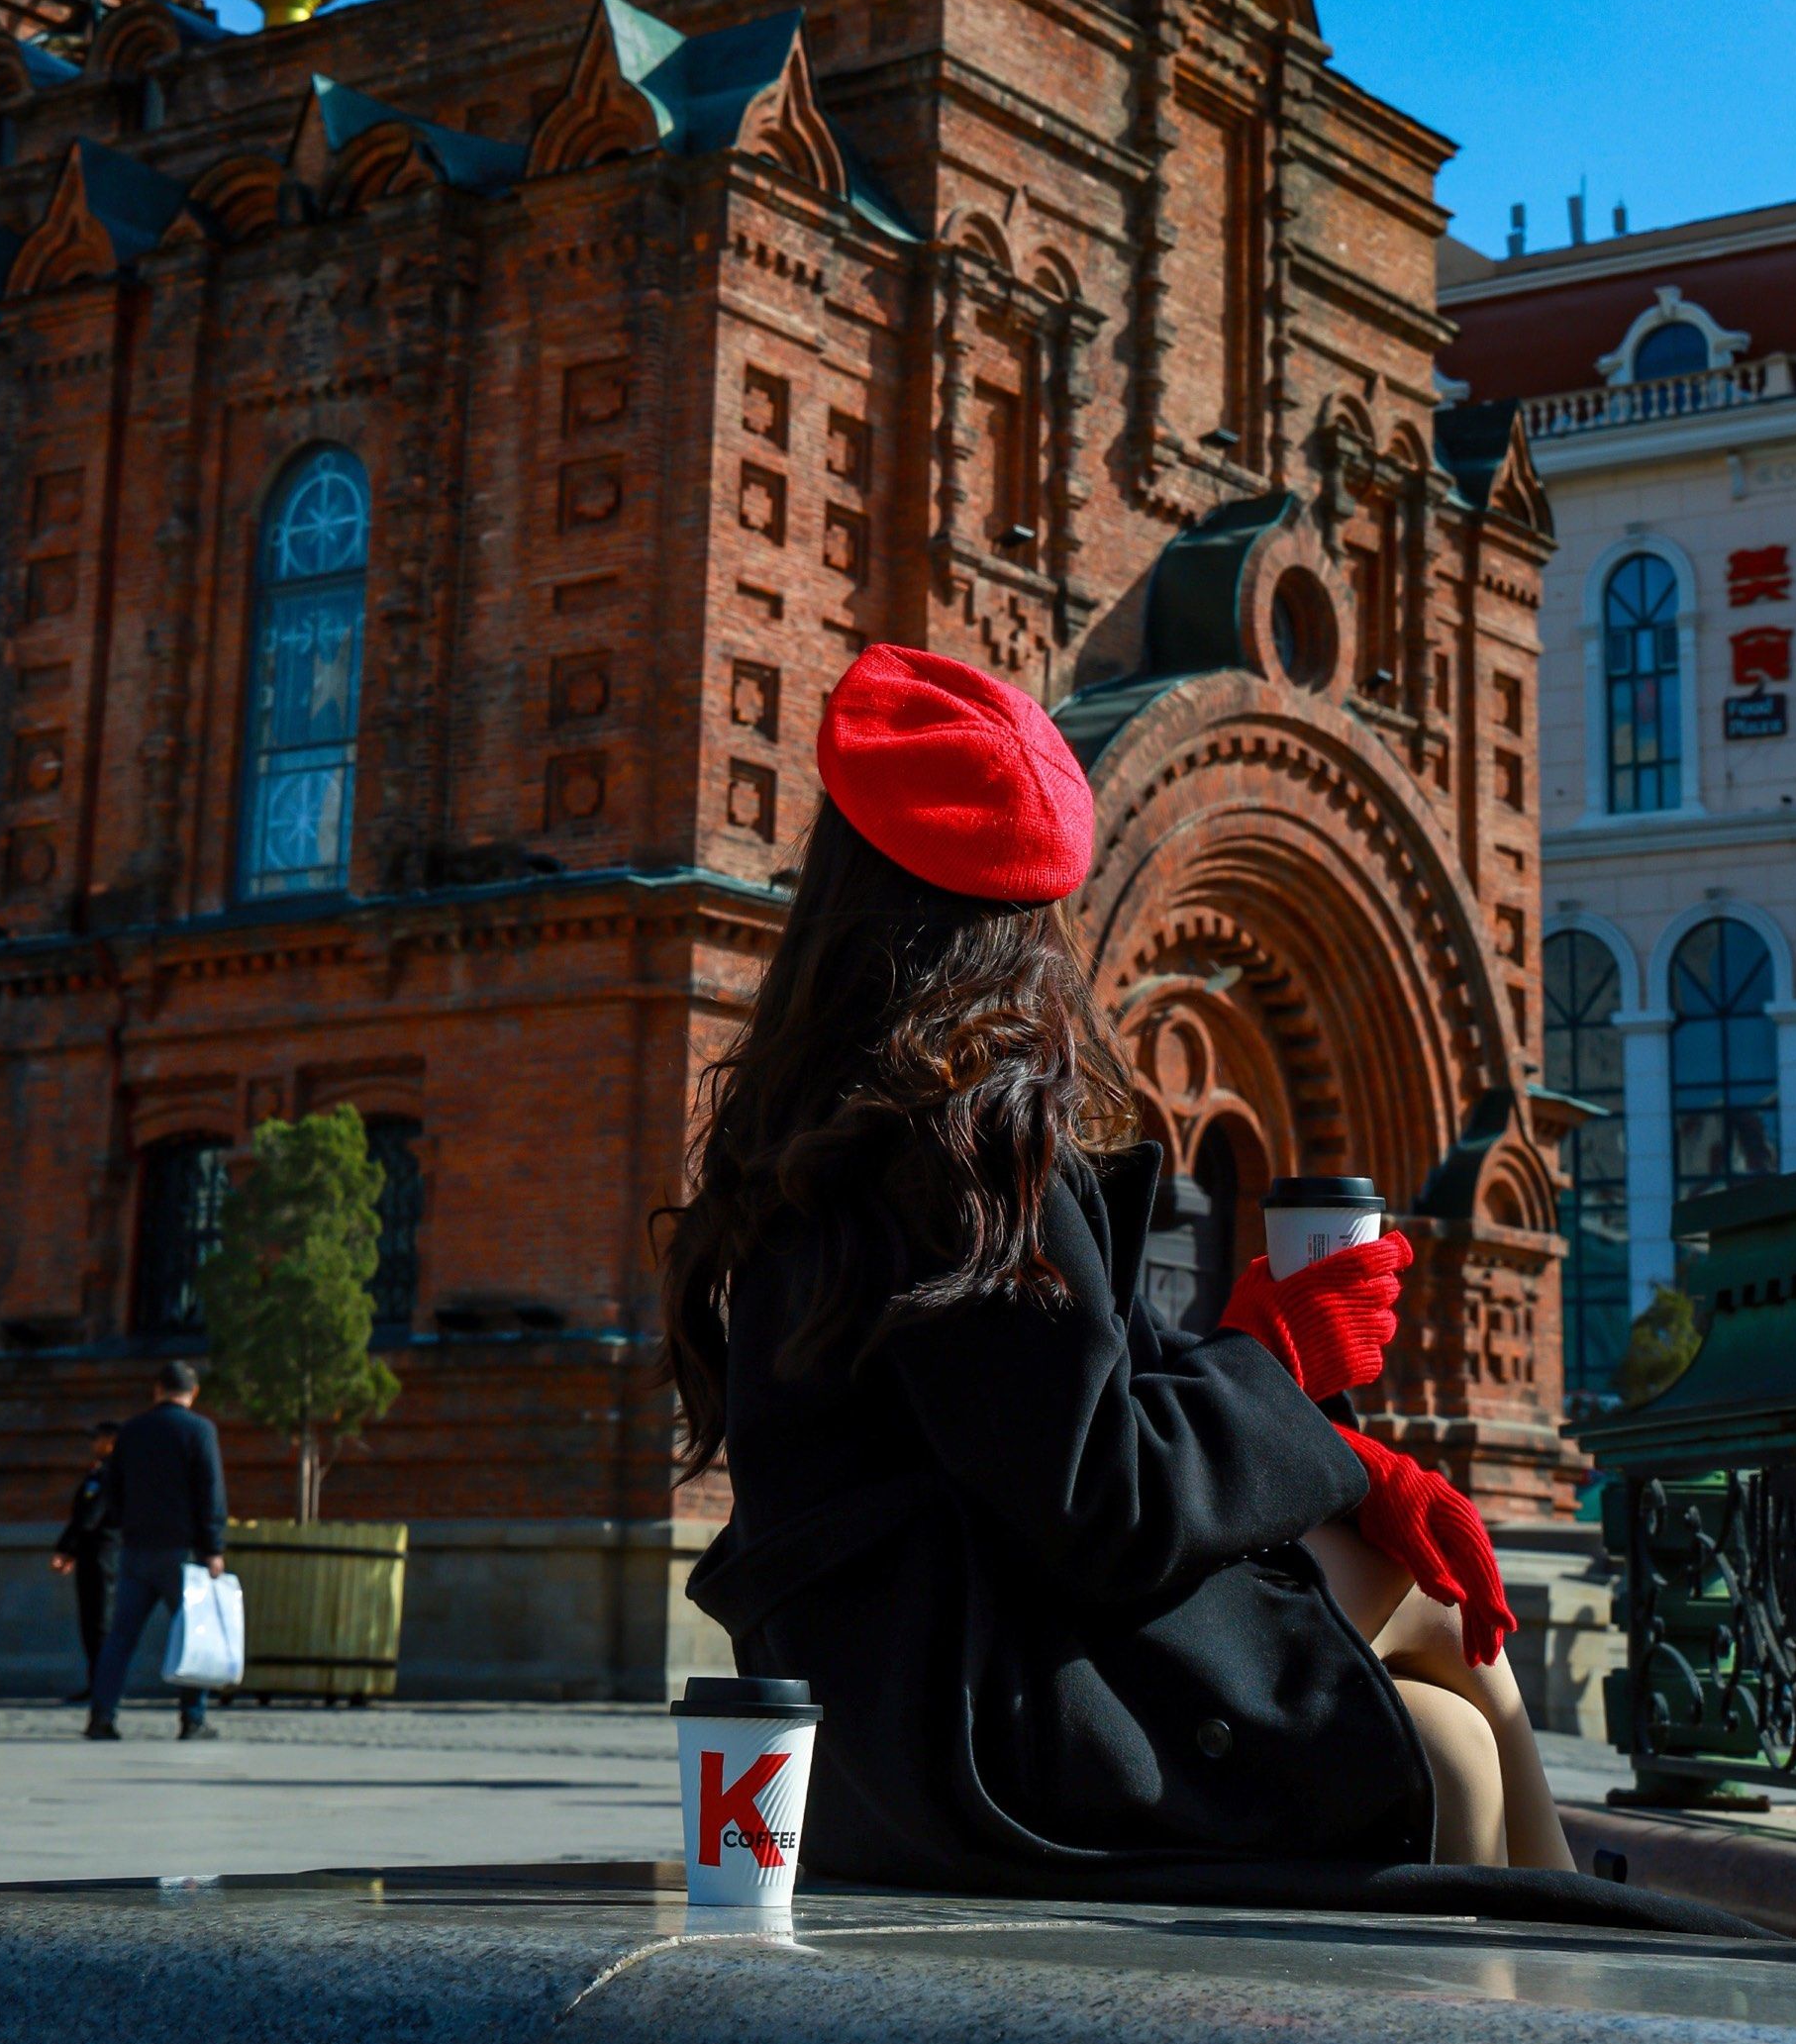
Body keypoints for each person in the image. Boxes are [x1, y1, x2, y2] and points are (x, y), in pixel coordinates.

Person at [665, 642, 1576, 1901]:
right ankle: (1533, 2010)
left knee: (1440, 1636)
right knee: (1451, 1757)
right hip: (972, 1718)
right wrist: (1285, 1359)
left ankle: (1583, 1974)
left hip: (916, 1677)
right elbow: (1101, 1498)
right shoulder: (959, 1140)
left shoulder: (834, 1113)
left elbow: (1051, 1425)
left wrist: (1355, 1463)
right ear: (1027, 912)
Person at [84, 1360, 228, 1743]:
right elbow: (210, 1490)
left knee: (121, 1637)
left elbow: (112, 1486)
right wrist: (213, 1547)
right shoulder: (200, 1430)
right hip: (180, 1552)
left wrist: (123, 1523)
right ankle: (192, 1719)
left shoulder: (131, 1431)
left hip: (135, 1549)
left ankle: (102, 1715)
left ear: (157, 1389)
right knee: (193, 1635)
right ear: (192, 1393)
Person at [50, 1421, 120, 1704]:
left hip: (104, 1553)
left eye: (99, 1439)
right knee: (91, 1620)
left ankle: (104, 1686)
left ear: (112, 1441)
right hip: (92, 1553)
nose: (94, 1444)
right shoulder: (99, 1471)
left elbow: (90, 1516)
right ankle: (97, 1682)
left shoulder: (111, 1473)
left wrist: (66, 1549)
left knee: (100, 1620)